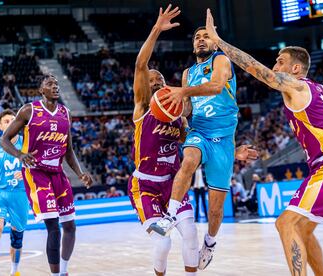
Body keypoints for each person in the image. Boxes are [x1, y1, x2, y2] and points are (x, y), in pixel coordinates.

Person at [204, 9, 323, 276]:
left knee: (285, 223)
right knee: (302, 228)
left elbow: (256, 69)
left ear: (295, 69)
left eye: (280, 61)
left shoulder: (296, 86)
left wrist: (218, 41)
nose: (275, 66)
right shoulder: (318, 89)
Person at [150, 23, 258, 270]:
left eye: (206, 37)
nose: (200, 40)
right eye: (197, 37)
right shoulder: (188, 72)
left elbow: (216, 86)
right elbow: (188, 107)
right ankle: (169, 217)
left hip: (222, 139)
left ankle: (210, 243)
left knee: (216, 208)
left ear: (214, 42)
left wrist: (182, 91)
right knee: (188, 159)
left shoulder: (221, 60)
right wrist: (172, 108)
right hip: (199, 130)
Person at [127, 5, 199, 276]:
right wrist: (157, 29)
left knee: (190, 232)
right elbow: (140, 65)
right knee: (163, 242)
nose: (156, 82)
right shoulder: (142, 106)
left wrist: (185, 119)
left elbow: (186, 140)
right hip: (145, 186)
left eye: (160, 80)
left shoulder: (176, 115)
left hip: (172, 185)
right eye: (151, 80)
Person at [0, 74, 93, 276]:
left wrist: (80, 173)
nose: (55, 86)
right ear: (41, 90)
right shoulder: (29, 110)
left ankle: (64, 271)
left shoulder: (65, 113)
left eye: (57, 84)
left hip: (58, 173)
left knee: (70, 226)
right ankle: (55, 274)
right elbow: (4, 140)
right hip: (36, 173)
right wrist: (20, 155)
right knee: (54, 227)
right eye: (50, 84)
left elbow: (69, 150)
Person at [0, 110, 28, 276]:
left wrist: (26, 173)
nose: (11, 123)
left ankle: (14, 271)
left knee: (17, 238)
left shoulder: (27, 144)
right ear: (1, 126)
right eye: (7, 121)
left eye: (13, 120)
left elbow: (39, 169)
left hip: (20, 194)